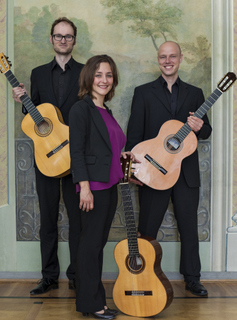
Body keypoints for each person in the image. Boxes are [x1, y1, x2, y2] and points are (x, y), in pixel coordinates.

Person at [125, 41, 212, 296]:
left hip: (185, 174)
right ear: (158, 59)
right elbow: (133, 136)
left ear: (180, 58)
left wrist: (199, 127)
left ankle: (192, 279)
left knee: (188, 227)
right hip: (153, 173)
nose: (167, 60)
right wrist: (133, 171)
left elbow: (207, 131)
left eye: (172, 56)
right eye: (163, 57)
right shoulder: (143, 92)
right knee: (147, 228)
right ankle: (142, 276)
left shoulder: (195, 93)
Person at [12, 17, 84, 295]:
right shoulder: (38, 73)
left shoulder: (86, 71)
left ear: (74, 40)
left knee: (78, 220)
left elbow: (91, 111)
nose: (63, 40)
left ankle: (77, 275)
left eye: (68, 36)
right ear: (51, 39)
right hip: (45, 159)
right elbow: (35, 117)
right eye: (58, 35)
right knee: (48, 219)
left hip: (74, 157)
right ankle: (49, 276)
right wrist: (23, 101)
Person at [69, 54, 135, 319]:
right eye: (98, 75)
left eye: (108, 75)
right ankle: (90, 304)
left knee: (96, 246)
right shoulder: (81, 109)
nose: (104, 80)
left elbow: (106, 148)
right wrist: (84, 187)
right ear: (89, 77)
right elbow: (77, 152)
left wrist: (123, 155)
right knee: (89, 247)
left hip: (110, 186)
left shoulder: (105, 110)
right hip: (93, 188)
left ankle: (98, 301)